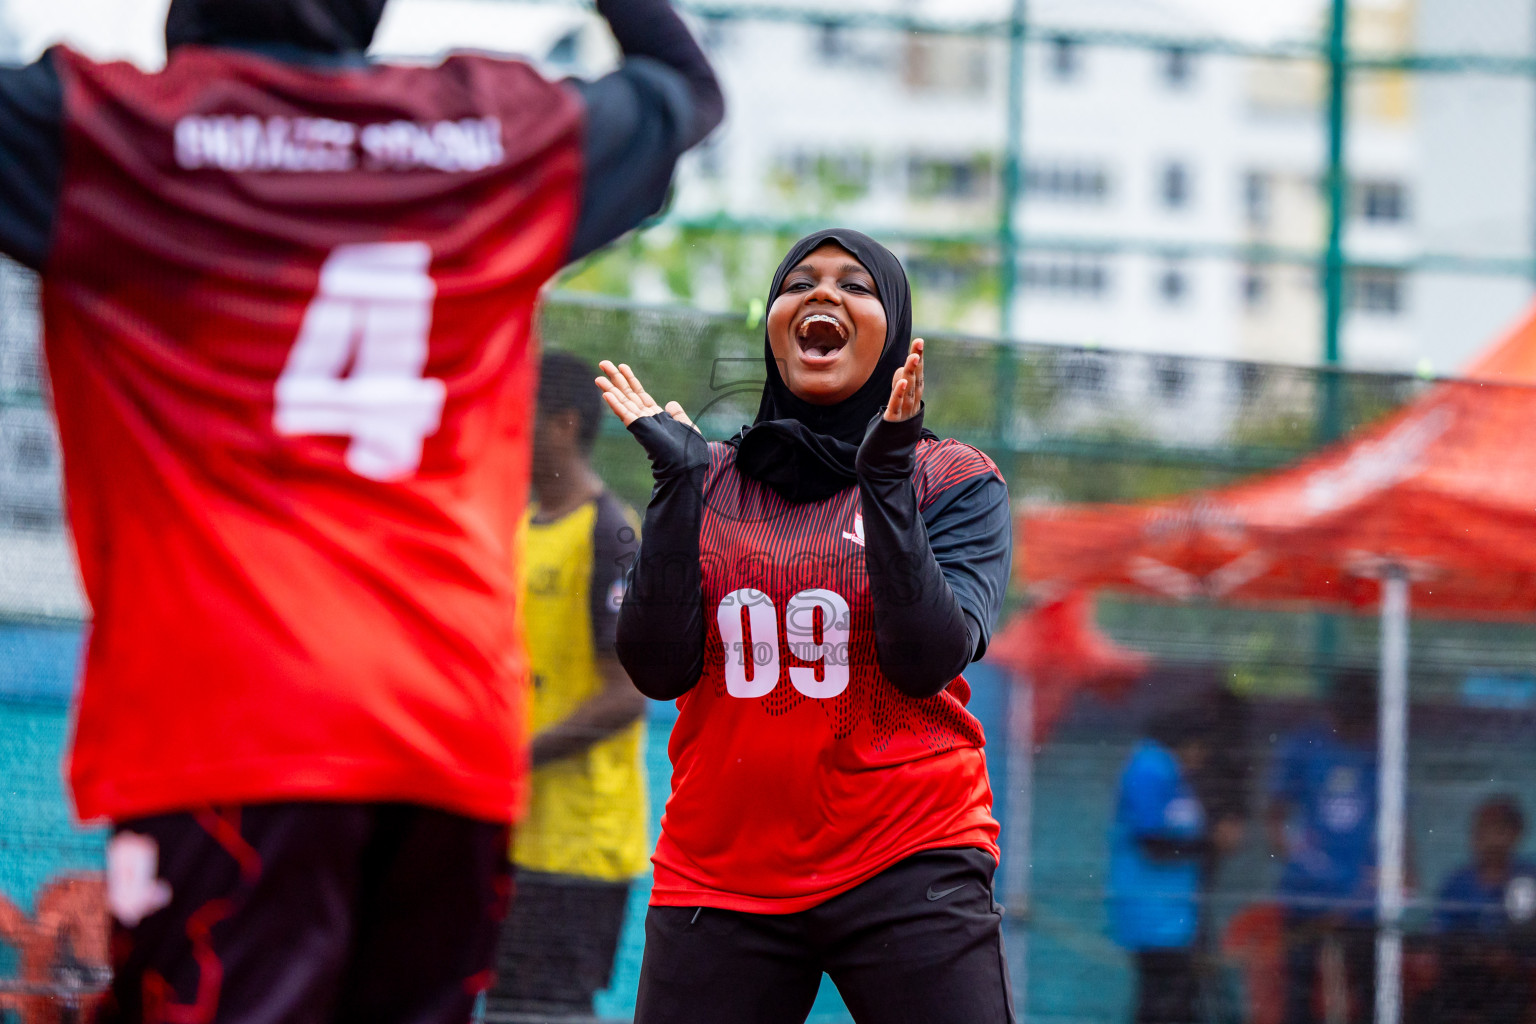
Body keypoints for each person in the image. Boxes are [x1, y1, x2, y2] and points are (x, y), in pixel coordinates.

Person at [0, 0, 720, 1019]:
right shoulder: (488, 135)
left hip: (237, 725)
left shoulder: (115, 134)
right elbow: (685, 85)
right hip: (446, 734)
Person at [595, 229, 1016, 1024]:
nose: (823, 294)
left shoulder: (953, 478)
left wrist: (885, 477)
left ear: (895, 329)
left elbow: (926, 658)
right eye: (802, 282)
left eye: (855, 286)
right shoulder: (705, 473)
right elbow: (656, 669)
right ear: (773, 324)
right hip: (721, 871)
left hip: (907, 852)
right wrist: (677, 487)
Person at [486, 351, 647, 1018]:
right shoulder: (516, 527)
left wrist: (514, 756)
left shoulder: (610, 532)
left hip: (577, 840)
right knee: (502, 1005)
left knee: (546, 1011)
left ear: (562, 424)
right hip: (512, 829)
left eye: (515, 415)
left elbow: (627, 693)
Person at [1109, 708, 1243, 1024]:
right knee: (1164, 1001)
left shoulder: (1171, 771)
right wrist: (1211, 843)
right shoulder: (1151, 766)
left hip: (1174, 915)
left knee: (1177, 999)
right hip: (1154, 914)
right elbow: (1151, 840)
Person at [1267, 670, 1381, 1024]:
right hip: (1307, 897)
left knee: (1369, 994)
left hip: (1362, 900)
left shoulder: (1378, 751)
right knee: (1300, 995)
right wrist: (1303, 865)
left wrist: (1386, 878)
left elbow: (1397, 824)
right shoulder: (1304, 746)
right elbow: (1275, 817)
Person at [1428, 796, 1536, 1024]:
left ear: (1515, 835)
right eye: (1481, 829)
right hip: (1463, 980)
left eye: (1497, 829)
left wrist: (1511, 958)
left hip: (1514, 982)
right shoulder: (1457, 883)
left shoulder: (1528, 880)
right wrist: (1478, 954)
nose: (1487, 838)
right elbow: (1440, 934)